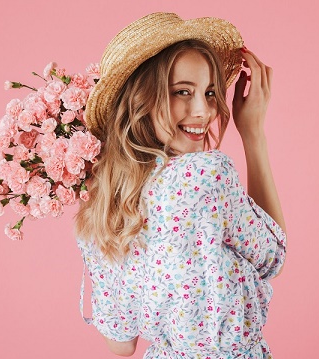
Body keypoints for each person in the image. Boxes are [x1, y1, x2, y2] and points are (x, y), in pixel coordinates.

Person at [75, 12, 287, 358]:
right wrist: (253, 134)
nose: (203, 110)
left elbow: (121, 344)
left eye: (209, 91)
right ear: (141, 99)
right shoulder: (206, 174)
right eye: (182, 92)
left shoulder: (103, 204)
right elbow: (273, 256)